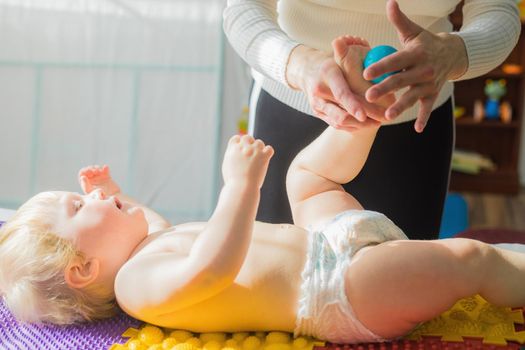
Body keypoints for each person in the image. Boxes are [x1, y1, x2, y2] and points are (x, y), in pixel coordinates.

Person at [2, 39, 525, 341]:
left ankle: (361, 116)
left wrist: (113, 192)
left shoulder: (146, 245)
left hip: (326, 238)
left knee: (307, 177)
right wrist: (241, 186)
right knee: (467, 259)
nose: (90, 196)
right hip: (340, 290)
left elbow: (150, 219)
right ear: (83, 269)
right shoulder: (136, 286)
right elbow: (209, 267)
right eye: (78, 206)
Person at [223, 0, 521, 239]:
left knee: (402, 297)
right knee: (274, 285)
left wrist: (454, 53)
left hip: (413, 123)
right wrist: (301, 64)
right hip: (293, 107)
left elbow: (497, 11)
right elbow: (242, 9)